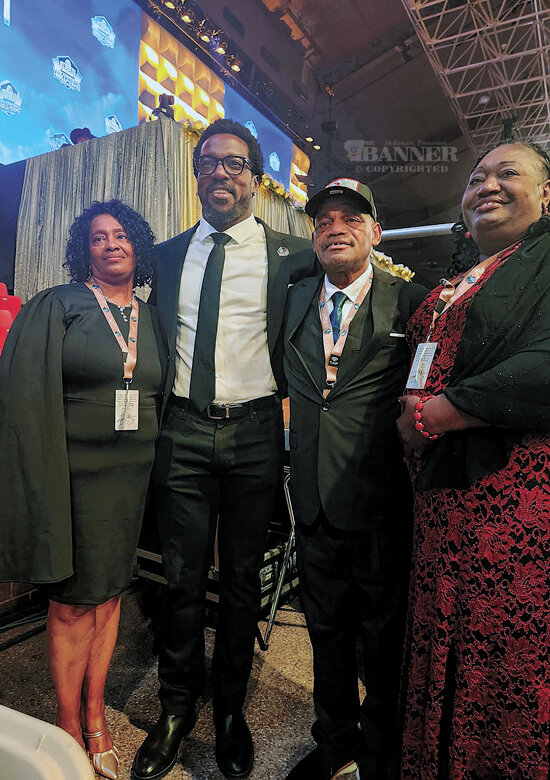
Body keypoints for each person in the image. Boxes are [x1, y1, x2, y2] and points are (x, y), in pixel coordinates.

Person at [132, 118, 315, 780]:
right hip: (181, 431)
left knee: (240, 582)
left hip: (257, 433)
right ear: (196, 174)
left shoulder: (295, 256)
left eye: (235, 164)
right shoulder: (169, 254)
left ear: (256, 179)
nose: (220, 174)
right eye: (208, 162)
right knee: (181, 579)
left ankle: (232, 712)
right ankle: (177, 708)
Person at [396, 142, 550, 779]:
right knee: (443, 632)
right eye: (477, 177)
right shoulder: (465, 277)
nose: (488, 184)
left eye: (508, 173)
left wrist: (443, 412)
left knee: (504, 647)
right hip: (443, 499)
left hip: (513, 500)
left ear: (548, 195)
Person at [0, 199, 163, 780]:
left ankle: (97, 714)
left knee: (112, 594)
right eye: (98, 237)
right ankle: (70, 724)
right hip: (72, 477)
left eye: (121, 235)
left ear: (137, 246)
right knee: (72, 604)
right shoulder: (58, 304)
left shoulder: (151, 315)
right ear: (84, 251)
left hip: (130, 478)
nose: (111, 243)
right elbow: (23, 395)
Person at [283, 178, 427, 780]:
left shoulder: (413, 300)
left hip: (380, 502)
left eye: (350, 218)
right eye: (323, 221)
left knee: (383, 637)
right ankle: (334, 739)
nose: (334, 227)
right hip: (312, 499)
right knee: (325, 632)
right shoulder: (291, 299)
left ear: (375, 232)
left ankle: (380, 750)